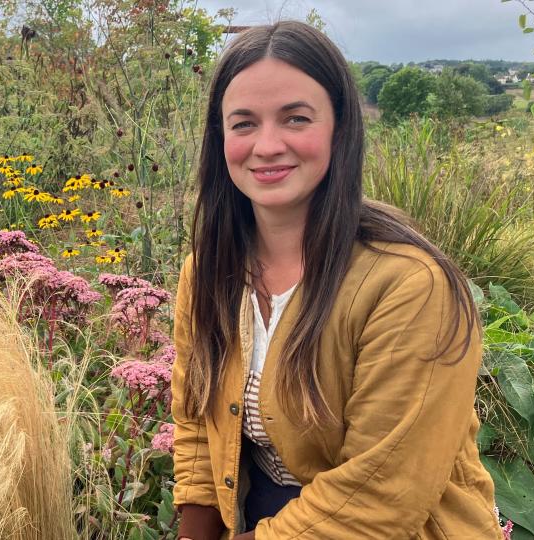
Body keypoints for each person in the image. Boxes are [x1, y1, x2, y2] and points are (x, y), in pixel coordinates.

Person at [170, 21, 503, 539]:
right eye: (243, 123)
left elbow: (379, 496)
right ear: (220, 140)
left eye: (295, 118)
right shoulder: (208, 270)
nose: (267, 144)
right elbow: (195, 425)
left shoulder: (409, 287)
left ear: (340, 129)